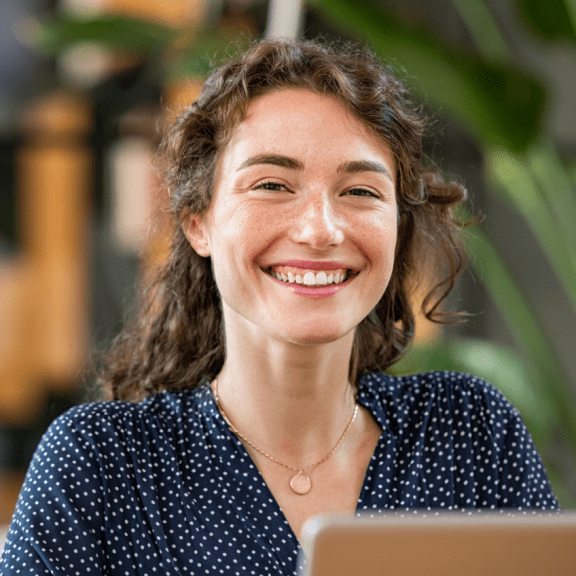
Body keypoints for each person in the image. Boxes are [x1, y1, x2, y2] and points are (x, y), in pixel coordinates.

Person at [0, 38, 557, 575]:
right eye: (272, 184)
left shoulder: (468, 434)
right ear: (199, 222)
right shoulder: (100, 463)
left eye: (360, 191)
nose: (320, 229)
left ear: (397, 224)